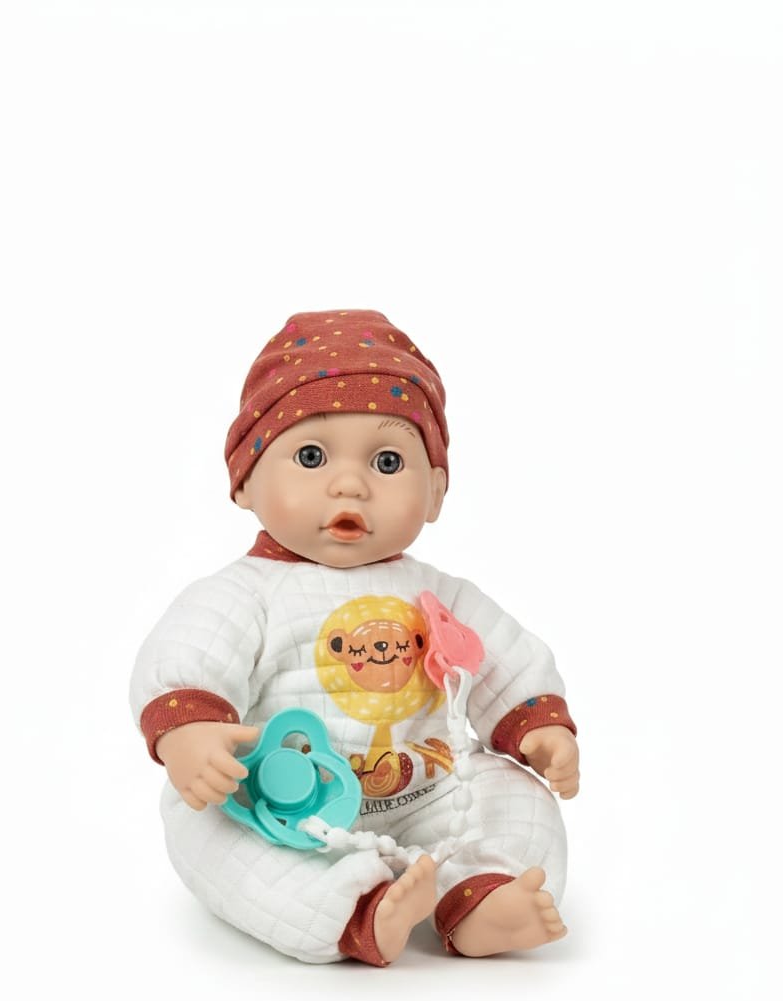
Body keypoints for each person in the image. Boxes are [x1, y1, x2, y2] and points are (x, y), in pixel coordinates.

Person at [130, 309, 580, 966]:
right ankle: (355, 913)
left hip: (427, 791)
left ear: (435, 492)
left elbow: (503, 658)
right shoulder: (245, 593)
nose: (350, 483)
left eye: (388, 461)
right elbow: (190, 654)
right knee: (212, 836)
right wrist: (189, 734)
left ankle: (483, 896)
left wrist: (537, 727)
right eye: (311, 456)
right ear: (245, 479)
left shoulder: (438, 592)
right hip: (280, 806)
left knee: (517, 798)